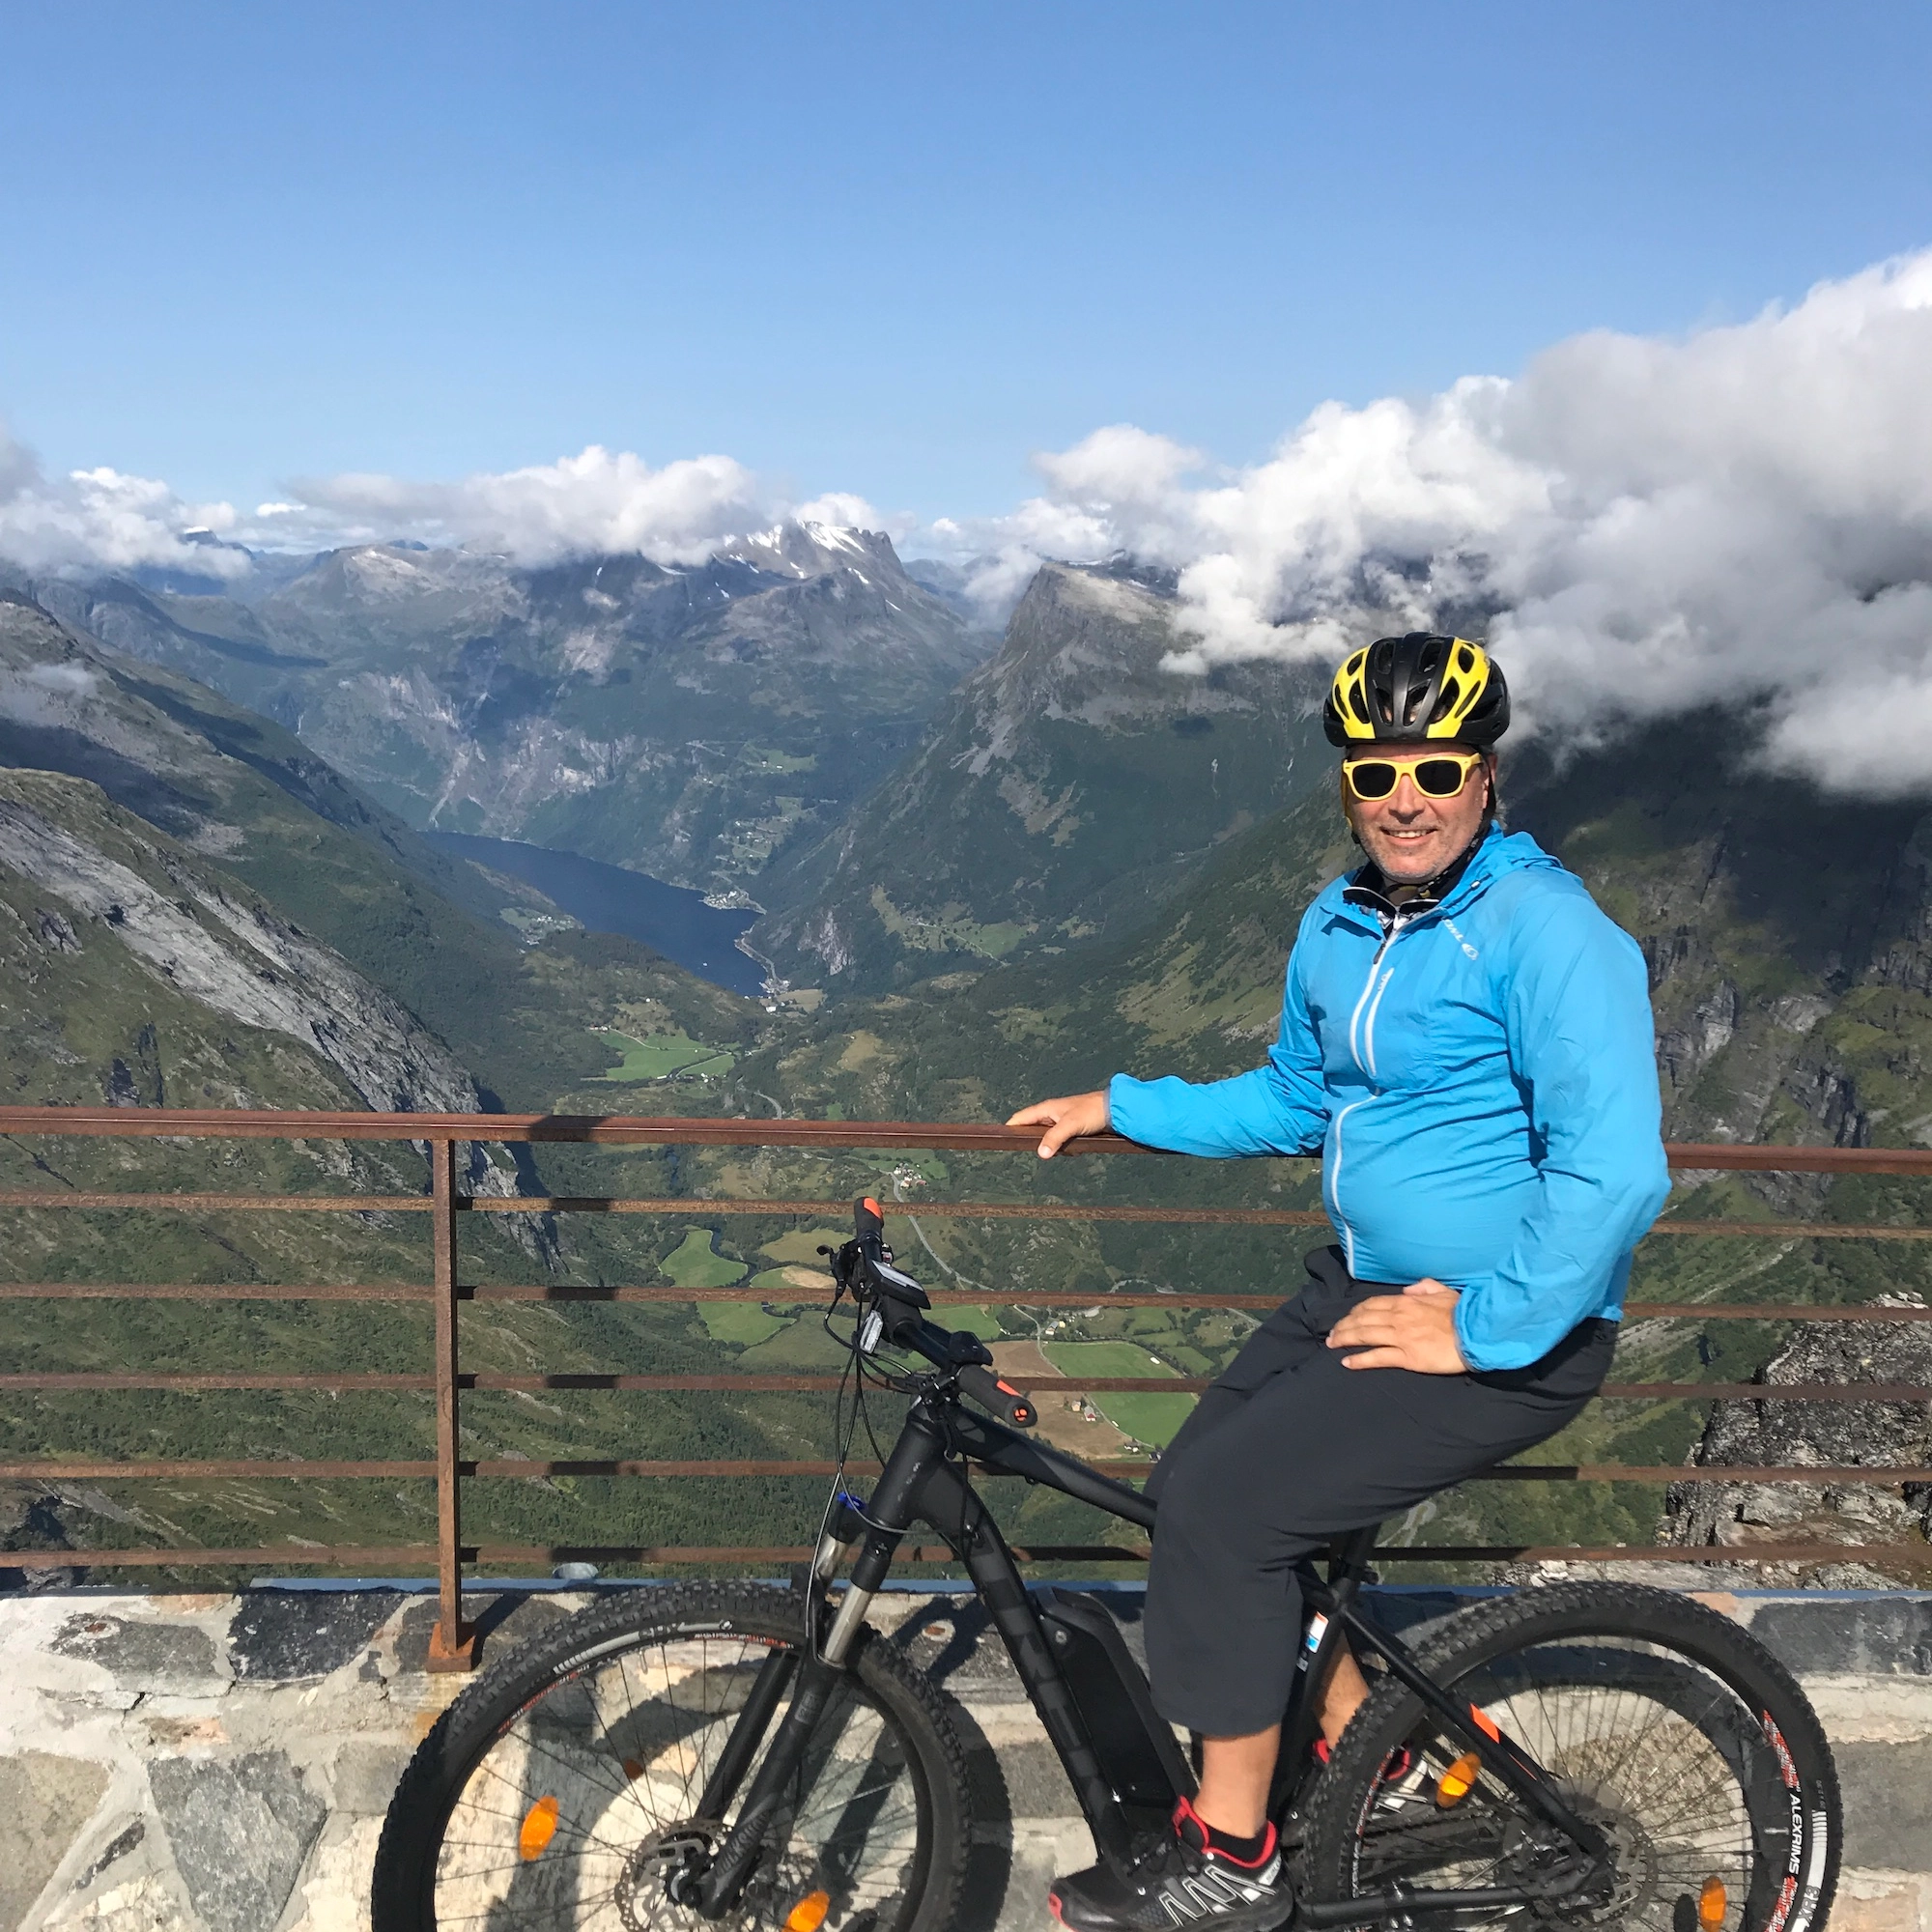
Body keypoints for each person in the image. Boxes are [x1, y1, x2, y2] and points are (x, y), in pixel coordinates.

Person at [1009, 634, 1670, 1932]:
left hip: (1500, 1327)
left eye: (1436, 767)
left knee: (1233, 1513)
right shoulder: (1343, 918)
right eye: (1378, 770)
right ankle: (1395, 1769)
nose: (1404, 796)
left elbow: (1618, 1173)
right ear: (1350, 783)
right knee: (1196, 1495)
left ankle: (1235, 1863)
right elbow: (1298, 1097)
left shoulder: (1547, 932)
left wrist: (1482, 1326)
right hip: (1361, 1287)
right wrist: (1124, 1108)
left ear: (1486, 777)